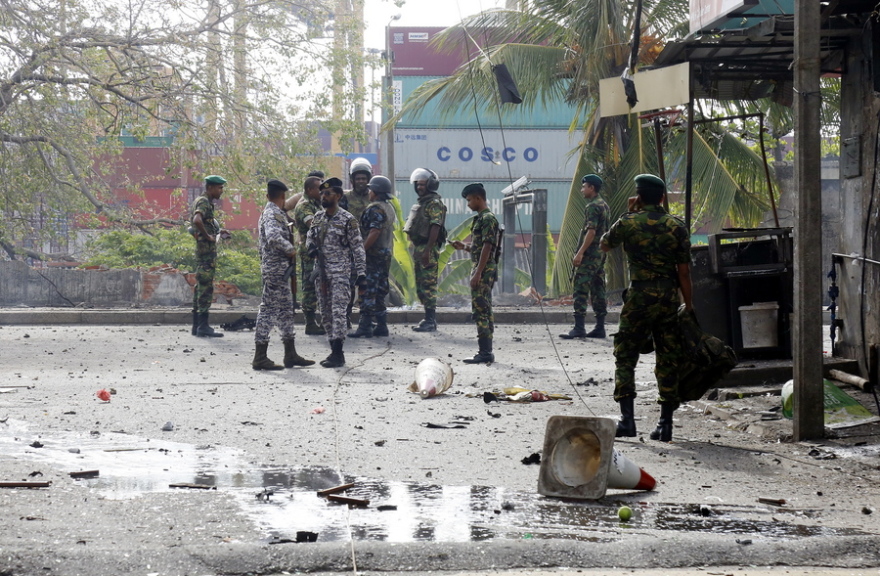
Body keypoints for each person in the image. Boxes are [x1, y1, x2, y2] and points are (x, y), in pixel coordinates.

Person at [600, 174, 693, 442]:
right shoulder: (676, 226)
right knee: (667, 356)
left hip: (639, 296)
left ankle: (627, 421)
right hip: (667, 298)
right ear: (662, 198)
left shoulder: (628, 222)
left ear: (638, 197)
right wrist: (689, 304)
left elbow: (604, 244)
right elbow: (684, 273)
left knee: (626, 355)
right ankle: (665, 424)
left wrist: (630, 213)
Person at [252, 180, 315, 370]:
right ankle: (260, 356)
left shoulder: (276, 212)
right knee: (268, 310)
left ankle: (290, 354)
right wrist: (290, 249)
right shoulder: (272, 213)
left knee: (287, 311)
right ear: (283, 196)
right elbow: (272, 236)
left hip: (281, 270)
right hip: (275, 270)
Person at [306, 177, 366, 368]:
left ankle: (338, 353)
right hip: (321, 274)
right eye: (322, 193)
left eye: (328, 193)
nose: (324, 196)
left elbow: (357, 248)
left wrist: (362, 274)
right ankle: (333, 348)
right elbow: (310, 237)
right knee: (325, 313)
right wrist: (311, 248)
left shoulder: (348, 220)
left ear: (338, 196)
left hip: (340, 273)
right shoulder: (318, 218)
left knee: (339, 312)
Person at [451, 183, 500, 364]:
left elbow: (488, 246)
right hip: (483, 268)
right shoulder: (481, 218)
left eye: (470, 200)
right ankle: (485, 350)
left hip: (484, 270)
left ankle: (485, 352)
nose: (468, 204)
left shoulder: (487, 219)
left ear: (478, 198)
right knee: (483, 308)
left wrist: (478, 272)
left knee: (481, 310)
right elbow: (480, 248)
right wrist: (464, 246)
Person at [560, 174, 610, 339]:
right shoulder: (604, 205)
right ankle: (600, 327)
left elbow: (591, 232)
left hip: (589, 255)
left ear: (592, 188)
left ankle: (579, 327)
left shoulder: (592, 207)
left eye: (584, 187)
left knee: (581, 288)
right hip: (600, 255)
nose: (582, 190)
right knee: (598, 288)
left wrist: (580, 253)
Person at [349, 175, 396, 339]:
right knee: (380, 290)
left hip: (374, 256)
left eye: (370, 189)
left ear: (375, 192)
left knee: (367, 290)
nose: (368, 191)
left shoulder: (375, 209)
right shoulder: (389, 207)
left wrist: (361, 251)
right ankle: (382, 326)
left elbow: (374, 231)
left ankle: (365, 326)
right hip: (385, 254)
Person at [405, 167, 447, 332]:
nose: (420, 187)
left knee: (428, 285)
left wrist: (428, 250)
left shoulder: (434, 204)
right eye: (418, 184)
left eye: (423, 184)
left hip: (428, 248)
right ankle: (428, 318)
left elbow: (435, 227)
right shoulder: (423, 203)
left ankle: (430, 320)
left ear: (430, 185)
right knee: (421, 285)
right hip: (420, 247)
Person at [190, 174, 228, 338]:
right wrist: (207, 236)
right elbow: (197, 220)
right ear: (211, 187)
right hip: (206, 255)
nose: (221, 191)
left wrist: (218, 232)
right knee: (205, 288)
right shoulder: (204, 202)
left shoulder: (204, 202)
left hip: (205, 253)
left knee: (200, 288)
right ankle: (203, 326)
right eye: (219, 188)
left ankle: (197, 325)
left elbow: (202, 223)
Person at [292, 176, 325, 335]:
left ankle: (321, 321)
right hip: (309, 253)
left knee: (321, 285)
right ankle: (310, 322)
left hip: (321, 252)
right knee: (310, 286)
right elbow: (313, 225)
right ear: (309, 190)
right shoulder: (304, 206)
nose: (322, 191)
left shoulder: (318, 204)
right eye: (319, 188)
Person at [343, 158, 373, 326]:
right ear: (352, 180)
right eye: (358, 178)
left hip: (370, 248)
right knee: (348, 284)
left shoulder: (374, 196)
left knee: (367, 285)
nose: (361, 181)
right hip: (350, 250)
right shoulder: (345, 198)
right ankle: (345, 317)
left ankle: (366, 319)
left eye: (364, 178)